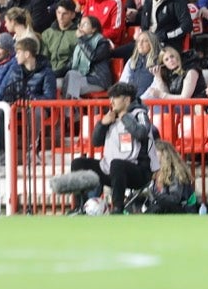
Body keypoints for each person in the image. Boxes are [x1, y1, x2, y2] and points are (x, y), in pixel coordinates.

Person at [67, 83, 156, 213]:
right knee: (78, 163)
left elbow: (141, 133)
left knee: (117, 164)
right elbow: (95, 142)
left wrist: (125, 117)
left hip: (138, 171)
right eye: (110, 98)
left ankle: (117, 208)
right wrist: (102, 124)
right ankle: (80, 207)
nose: (111, 101)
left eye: (115, 97)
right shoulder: (111, 116)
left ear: (126, 99)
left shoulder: (140, 114)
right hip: (111, 170)